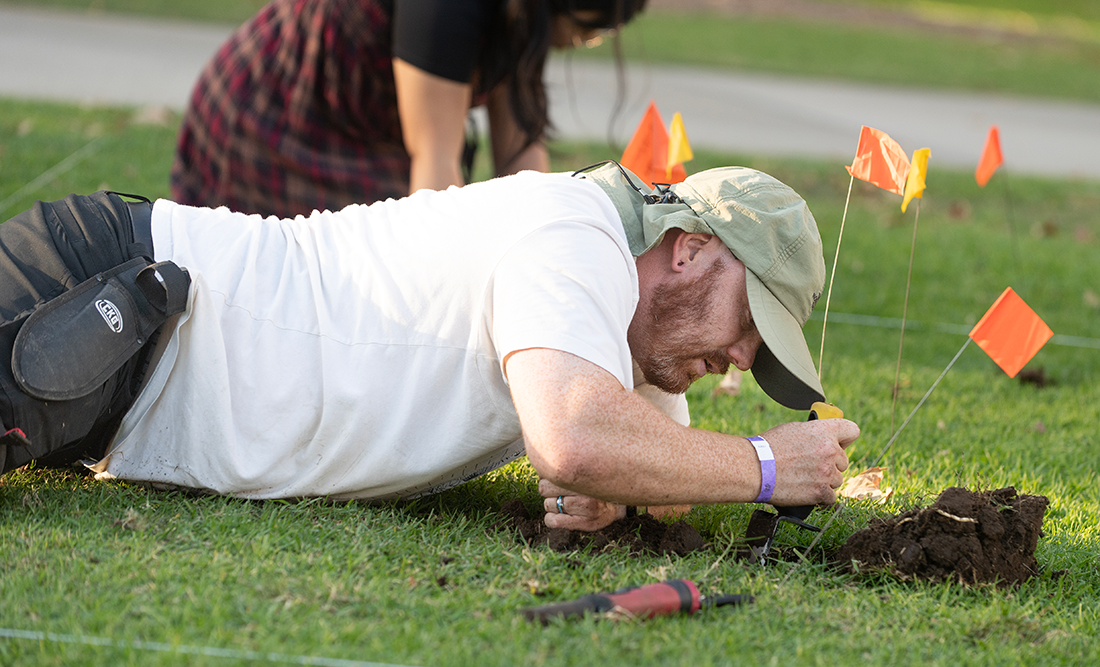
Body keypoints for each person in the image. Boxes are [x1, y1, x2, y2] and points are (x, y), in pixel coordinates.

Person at [0, 162, 858, 531]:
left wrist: (622, 492)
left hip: (125, 387)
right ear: (691, 250)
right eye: (750, 325)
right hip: (120, 290)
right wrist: (768, 466)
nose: (744, 360)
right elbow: (576, 440)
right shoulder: (575, 236)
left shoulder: (624, 313)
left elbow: (644, 465)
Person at [170, 0, 646, 219]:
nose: (596, 39)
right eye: (591, 25)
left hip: (370, 135)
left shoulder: (522, 17)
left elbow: (521, 163)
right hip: (273, 113)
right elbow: (435, 175)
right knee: (303, 288)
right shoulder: (448, 7)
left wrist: (556, 238)